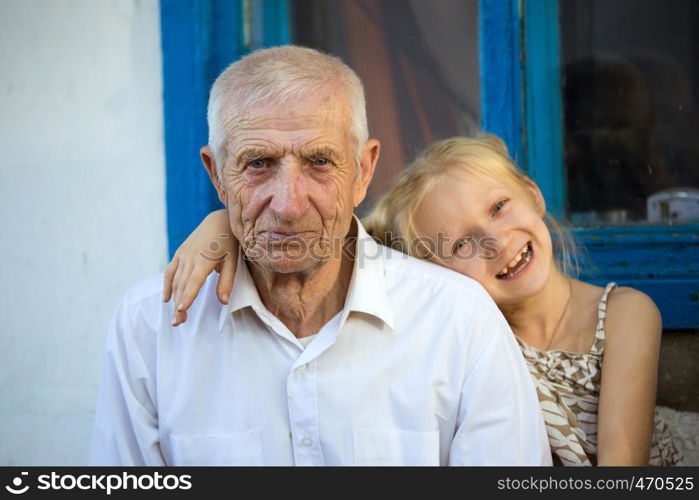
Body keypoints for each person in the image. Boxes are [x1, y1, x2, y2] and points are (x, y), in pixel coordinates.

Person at [90, 46, 551, 466]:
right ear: (216, 175)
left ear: (364, 170)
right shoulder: (151, 326)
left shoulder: (456, 319)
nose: (288, 205)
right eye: (257, 164)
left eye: (319, 162)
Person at [168, 135, 683, 466]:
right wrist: (225, 226)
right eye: (459, 244)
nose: (495, 241)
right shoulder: (453, 336)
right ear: (433, 275)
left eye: (500, 206)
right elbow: (326, 239)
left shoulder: (623, 314)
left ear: (533, 193)